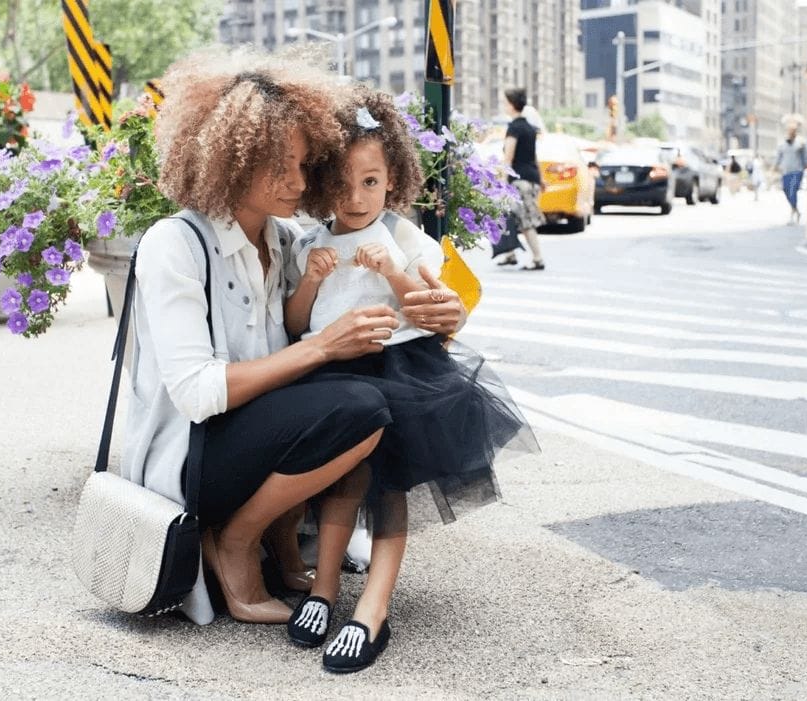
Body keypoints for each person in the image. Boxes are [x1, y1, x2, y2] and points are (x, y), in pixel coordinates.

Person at [126, 53, 469, 627]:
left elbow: (389, 277)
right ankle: (235, 540)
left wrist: (448, 312)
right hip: (191, 458)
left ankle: (284, 549)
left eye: (306, 166)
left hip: (254, 440)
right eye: (280, 167)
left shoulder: (289, 241)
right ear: (230, 162)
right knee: (359, 405)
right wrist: (322, 346)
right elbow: (197, 394)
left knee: (365, 399)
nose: (300, 183)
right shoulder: (174, 244)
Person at [284, 86, 538, 673]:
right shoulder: (310, 242)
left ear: (392, 179)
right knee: (340, 482)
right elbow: (298, 323)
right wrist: (311, 283)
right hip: (331, 371)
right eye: (343, 184)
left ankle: (374, 606)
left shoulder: (404, 237)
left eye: (370, 182)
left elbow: (433, 306)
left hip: (400, 372)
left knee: (387, 485)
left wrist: (394, 272)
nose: (355, 197)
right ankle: (323, 589)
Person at [499, 88, 546, 271]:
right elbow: (534, 157)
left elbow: (508, 158)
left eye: (505, 103)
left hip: (519, 180)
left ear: (512, 105)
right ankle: (510, 254)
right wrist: (541, 179)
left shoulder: (514, 128)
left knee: (525, 220)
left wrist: (503, 182)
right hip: (531, 178)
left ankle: (538, 258)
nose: (504, 106)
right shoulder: (529, 128)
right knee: (510, 216)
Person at [776, 120, 807, 224]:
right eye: (790, 130)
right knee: (786, 190)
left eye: (793, 130)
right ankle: (797, 211)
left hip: (797, 171)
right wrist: (774, 168)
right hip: (786, 171)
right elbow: (778, 158)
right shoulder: (782, 144)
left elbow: (806, 158)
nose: (791, 132)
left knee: (792, 191)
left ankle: (792, 214)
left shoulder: (801, 143)